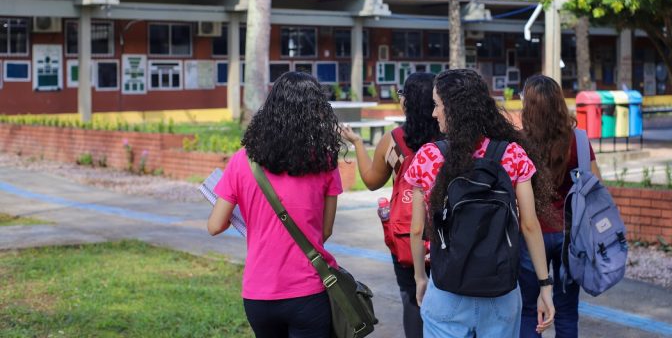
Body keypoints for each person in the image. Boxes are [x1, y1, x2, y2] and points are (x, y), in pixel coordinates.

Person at [403, 69, 555, 338]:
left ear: (454, 109)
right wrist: (545, 285)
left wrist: (419, 278)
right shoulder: (512, 154)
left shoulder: (428, 157)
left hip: (447, 289)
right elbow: (530, 225)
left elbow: (416, 230)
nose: (433, 114)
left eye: (437, 105)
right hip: (501, 292)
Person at [207, 71, 343, 338]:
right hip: (309, 292)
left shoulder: (241, 161)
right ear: (316, 111)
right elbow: (325, 231)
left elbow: (214, 226)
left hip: (259, 294)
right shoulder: (325, 162)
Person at [341, 71, 440, 338]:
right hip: (446, 233)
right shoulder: (448, 137)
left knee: (411, 297)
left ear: (407, 102)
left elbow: (372, 181)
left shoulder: (394, 140)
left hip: (406, 235)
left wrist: (358, 143)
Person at [518, 74, 603, 338]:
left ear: (528, 106)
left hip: (531, 234)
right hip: (570, 234)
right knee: (566, 311)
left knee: (530, 310)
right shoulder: (577, 140)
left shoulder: (518, 144)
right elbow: (597, 185)